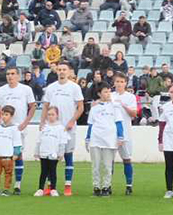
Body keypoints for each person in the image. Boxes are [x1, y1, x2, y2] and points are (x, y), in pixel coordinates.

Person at [41, 62, 85, 195]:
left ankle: (67, 185)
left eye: (64, 69)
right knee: (50, 157)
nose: (61, 72)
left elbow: (81, 107)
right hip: (53, 127)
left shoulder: (74, 87)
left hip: (68, 127)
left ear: (69, 71)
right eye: (59, 69)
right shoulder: (51, 88)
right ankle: (50, 186)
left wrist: (72, 121)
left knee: (68, 155)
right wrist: (42, 122)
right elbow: (45, 106)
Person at [0, 67, 36, 191]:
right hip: (3, 128)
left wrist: (25, 123)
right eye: (8, 74)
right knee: (1, 155)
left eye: (12, 74)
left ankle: (17, 184)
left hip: (18, 127)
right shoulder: (1, 90)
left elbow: (32, 107)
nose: (10, 76)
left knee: (18, 155)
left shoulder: (26, 89)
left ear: (18, 75)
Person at [86, 84, 126, 197]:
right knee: (96, 165)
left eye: (109, 91)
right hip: (96, 138)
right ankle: (96, 187)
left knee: (108, 165)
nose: (108, 94)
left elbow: (119, 122)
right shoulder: (94, 108)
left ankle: (106, 186)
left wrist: (120, 137)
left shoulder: (115, 107)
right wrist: (88, 138)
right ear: (99, 94)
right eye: (105, 92)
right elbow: (90, 124)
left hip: (110, 139)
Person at [112, 73, 141, 194]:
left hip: (125, 132)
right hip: (111, 133)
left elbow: (134, 115)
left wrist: (123, 106)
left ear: (125, 83)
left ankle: (129, 185)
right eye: (117, 81)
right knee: (109, 160)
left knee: (127, 159)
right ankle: (107, 185)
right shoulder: (110, 96)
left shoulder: (130, 97)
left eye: (121, 81)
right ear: (114, 83)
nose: (119, 84)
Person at [32, 105, 68, 197]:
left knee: (52, 171)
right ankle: (40, 189)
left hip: (54, 154)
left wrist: (61, 153)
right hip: (44, 153)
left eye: (52, 114)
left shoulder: (60, 128)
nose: (50, 116)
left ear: (57, 115)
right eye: (49, 114)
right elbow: (39, 141)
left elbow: (62, 142)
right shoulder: (44, 127)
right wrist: (36, 152)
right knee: (43, 171)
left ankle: (53, 189)